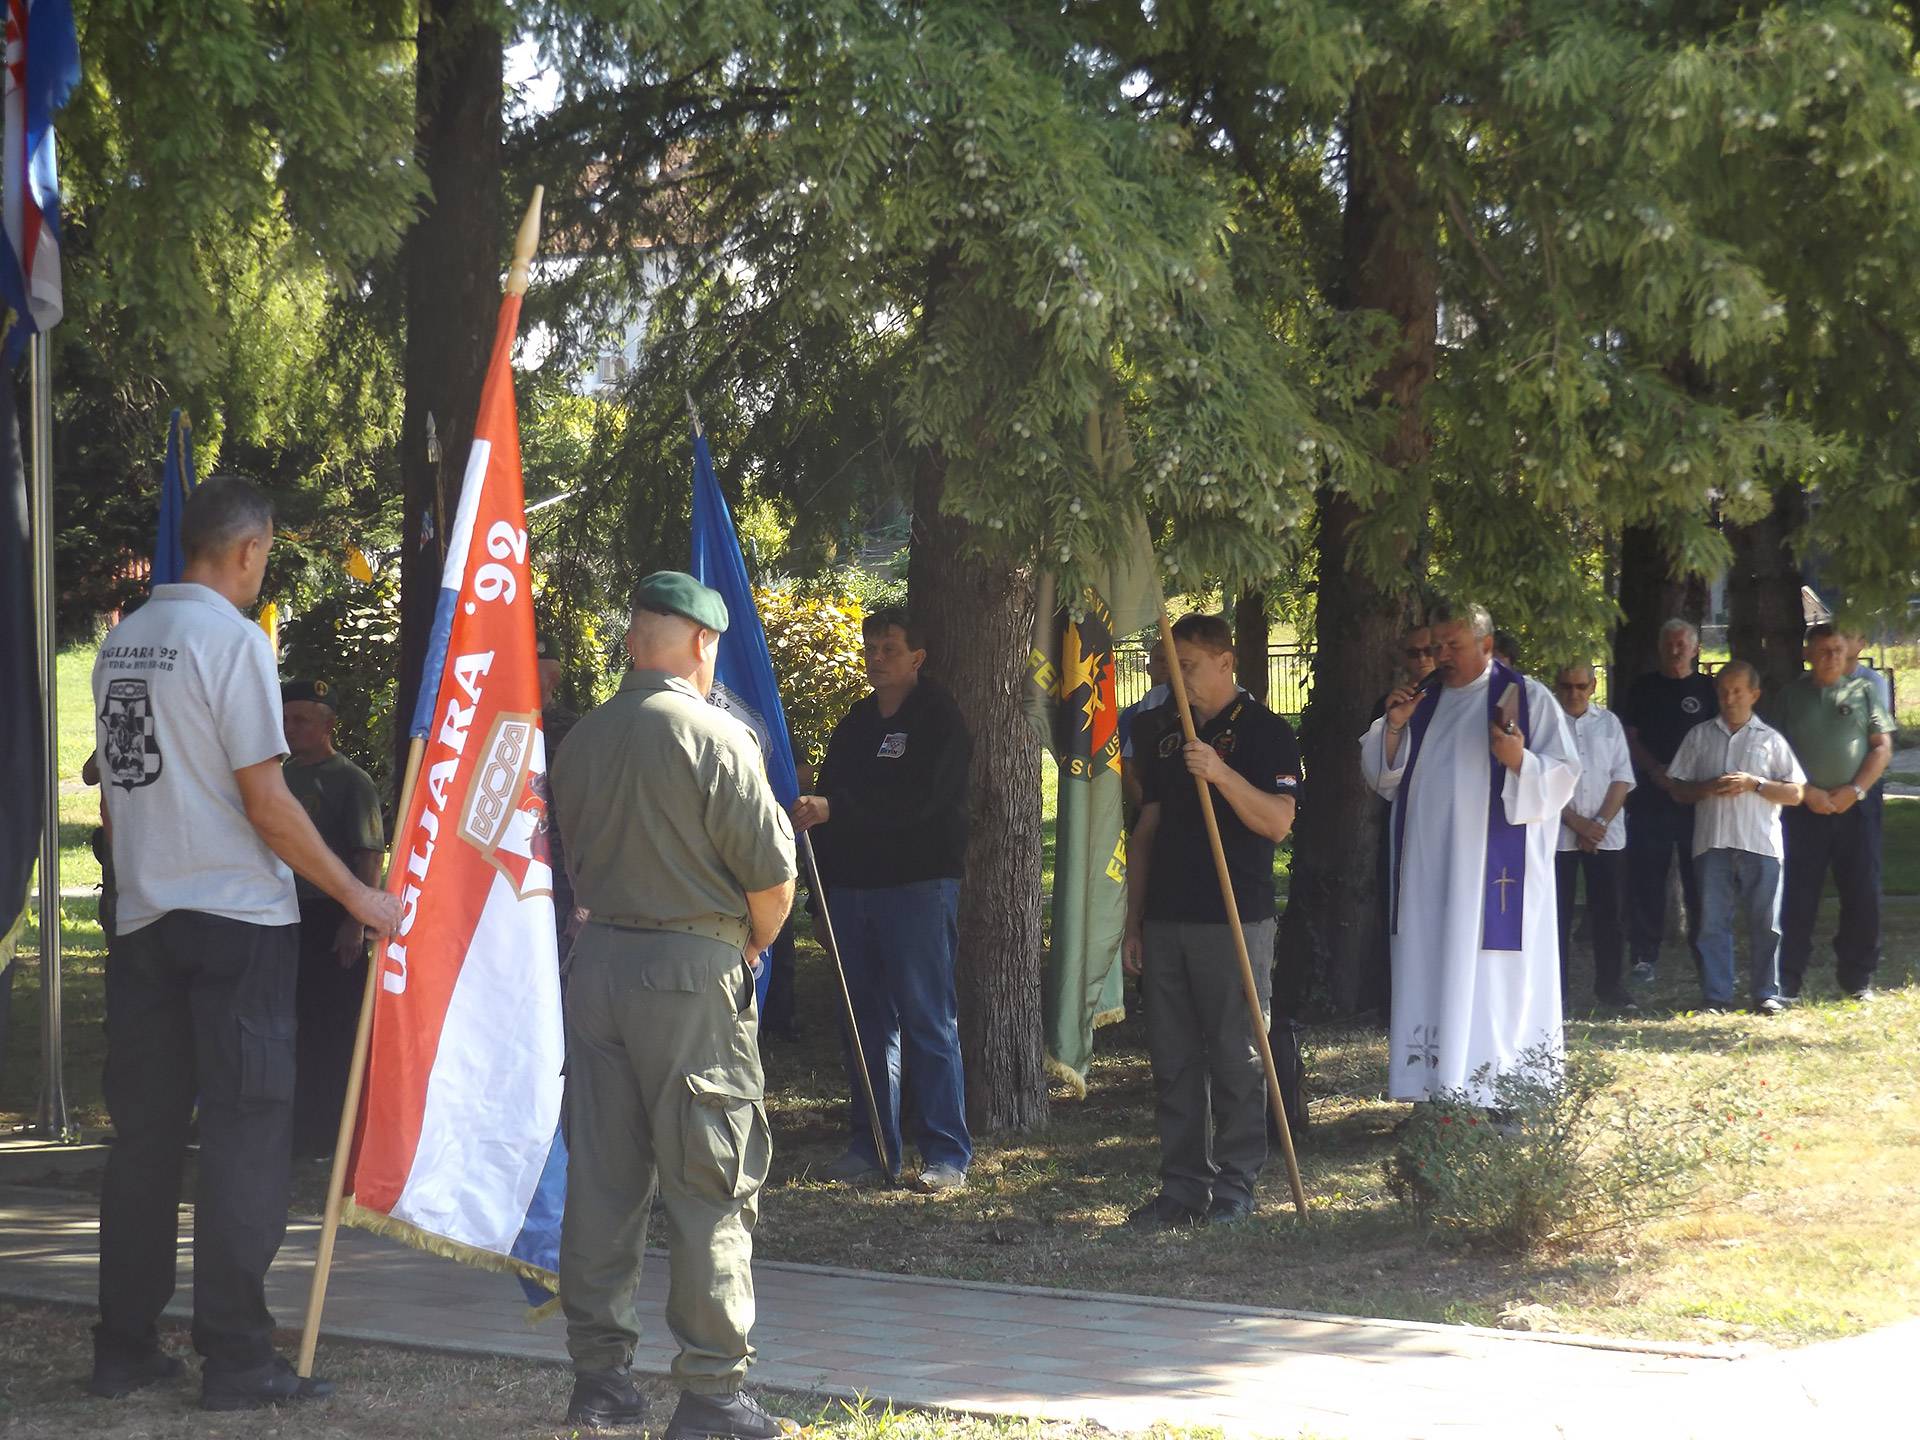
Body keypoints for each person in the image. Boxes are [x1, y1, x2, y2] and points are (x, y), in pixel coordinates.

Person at [89, 476, 400, 1410]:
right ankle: (235, 1356)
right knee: (245, 1138)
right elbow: (268, 802)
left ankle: (124, 1344)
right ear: (251, 549)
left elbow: (116, 794)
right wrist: (356, 893)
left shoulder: (118, 644)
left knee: (143, 1139)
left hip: (144, 918)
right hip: (237, 921)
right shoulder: (232, 642)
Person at [549, 572, 797, 1438]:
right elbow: (771, 878)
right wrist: (751, 943)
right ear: (703, 643)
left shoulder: (580, 740)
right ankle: (712, 1392)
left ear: (632, 642)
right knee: (709, 1176)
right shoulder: (717, 737)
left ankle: (599, 1378)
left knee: (604, 1178)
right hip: (693, 970)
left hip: (599, 963)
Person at [1120, 614, 1299, 1228]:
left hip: (1232, 918)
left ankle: (1237, 1183)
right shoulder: (1166, 733)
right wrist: (1134, 921)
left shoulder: (1264, 731)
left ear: (1225, 660)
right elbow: (1148, 830)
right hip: (1168, 916)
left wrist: (1219, 773)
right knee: (1172, 1059)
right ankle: (1181, 1186)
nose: (1177, 678)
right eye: (1170, 667)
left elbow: (1277, 821)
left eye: (1187, 665)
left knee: (1236, 1054)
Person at [1361, 601, 1578, 1107]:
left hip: (1494, 881)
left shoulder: (1526, 697)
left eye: (1452, 646)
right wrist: (1393, 728)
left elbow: (1565, 777)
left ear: (1485, 645)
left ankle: (1500, 1093)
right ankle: (1435, 1091)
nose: (1439, 656)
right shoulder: (1423, 699)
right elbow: (1384, 780)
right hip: (1428, 875)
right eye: (1435, 647)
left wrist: (1518, 759)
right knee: (1431, 969)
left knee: (1492, 978)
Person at [795, 607, 973, 1192]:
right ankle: (872, 1146)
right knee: (865, 1022)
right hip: (853, 893)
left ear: (917, 658)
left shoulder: (940, 721)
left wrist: (839, 810)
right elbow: (831, 798)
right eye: (870, 647)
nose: (876, 658)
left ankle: (946, 1153)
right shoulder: (856, 723)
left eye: (889, 648)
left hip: (918, 889)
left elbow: (920, 804)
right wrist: (824, 899)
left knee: (927, 1019)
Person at [279, 678, 384, 1161]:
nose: (291, 727)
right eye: (287, 718)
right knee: (288, 1024)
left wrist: (353, 922)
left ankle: (329, 1137)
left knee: (331, 1028)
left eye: (302, 719)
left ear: (328, 724)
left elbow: (367, 857)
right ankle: (294, 1130)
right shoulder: (275, 776)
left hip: (330, 920)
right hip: (280, 917)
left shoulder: (350, 781)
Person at [1666, 662, 1805, 1013]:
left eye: (1738, 691)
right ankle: (1717, 996)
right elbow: (1677, 789)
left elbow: (1795, 793)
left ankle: (1766, 994)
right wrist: (1706, 787)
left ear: (1754, 695)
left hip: (1760, 843)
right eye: (1724, 691)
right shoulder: (1699, 736)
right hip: (1712, 842)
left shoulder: (1770, 740)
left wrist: (1754, 784)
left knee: (1765, 924)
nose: (1729, 698)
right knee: (1712, 923)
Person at [1772, 623, 1895, 1001]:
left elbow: (1881, 747)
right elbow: (1774, 750)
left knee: (1862, 893)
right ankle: (1788, 980)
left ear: (1848, 654)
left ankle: (1857, 980)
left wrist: (1855, 790)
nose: (1831, 657)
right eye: (1823, 650)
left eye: (1838, 651)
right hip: (1802, 809)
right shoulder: (1789, 696)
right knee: (1796, 894)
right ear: (1808, 654)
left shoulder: (1865, 691)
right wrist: (1807, 791)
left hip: (1855, 808)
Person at [1621, 619, 1718, 985]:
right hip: (1650, 796)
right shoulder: (1643, 687)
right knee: (1646, 877)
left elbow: (1718, 738)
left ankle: (1706, 955)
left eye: (1682, 644)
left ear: (1695, 649)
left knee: (1701, 882)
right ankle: (1644, 955)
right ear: (1660, 648)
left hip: (1696, 800)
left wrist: (1691, 782)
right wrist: (1656, 772)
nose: (1675, 650)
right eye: (1669, 644)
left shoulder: (1708, 689)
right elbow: (1630, 737)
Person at [1552, 663, 1636, 1010]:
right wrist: (1576, 822)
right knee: (1556, 914)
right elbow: (1539, 781)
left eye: (1581, 686)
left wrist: (1598, 822)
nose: (1574, 693)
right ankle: (1556, 992)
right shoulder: (1547, 725)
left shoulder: (1609, 723)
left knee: (1610, 914)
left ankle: (1611, 987)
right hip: (1559, 834)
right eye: (1567, 686)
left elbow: (1622, 777)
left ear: (1593, 685)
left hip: (1606, 834)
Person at [536, 636, 582, 963]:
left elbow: (591, 813)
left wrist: (584, 902)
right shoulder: (496, 727)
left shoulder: (574, 732)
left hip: (561, 883)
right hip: (507, 873)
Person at [1119, 639, 1172, 818]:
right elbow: (1127, 767)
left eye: (1170, 659)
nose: (1165, 665)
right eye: (1159, 659)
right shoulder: (1132, 715)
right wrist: (1148, 813)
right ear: (1148, 668)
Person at [1844, 631, 1894, 718]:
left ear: (1862, 643)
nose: (1839, 642)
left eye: (1847, 637)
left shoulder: (1873, 682)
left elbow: (1880, 725)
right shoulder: (1818, 679)